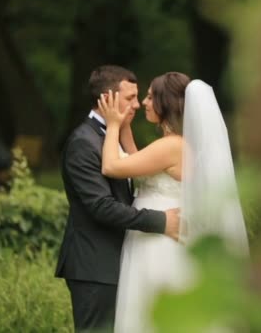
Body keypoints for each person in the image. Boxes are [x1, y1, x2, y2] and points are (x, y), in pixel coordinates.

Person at [97, 72, 249, 332]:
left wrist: (111, 125)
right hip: (162, 237)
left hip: (157, 242)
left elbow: (112, 166)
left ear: (164, 102)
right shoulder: (179, 145)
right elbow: (140, 162)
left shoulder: (170, 146)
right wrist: (125, 129)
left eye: (149, 97)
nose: (143, 103)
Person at [54, 65, 181, 332]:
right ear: (106, 99)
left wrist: (120, 129)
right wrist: (161, 221)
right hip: (95, 265)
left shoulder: (115, 136)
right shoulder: (84, 142)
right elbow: (101, 206)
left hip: (122, 261)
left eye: (139, 97)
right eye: (129, 98)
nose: (137, 105)